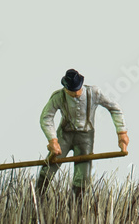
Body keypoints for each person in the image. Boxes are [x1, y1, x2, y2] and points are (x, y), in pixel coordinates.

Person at [36, 69, 130, 197]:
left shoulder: (94, 93)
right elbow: (46, 117)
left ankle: (76, 208)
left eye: (77, 89)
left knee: (83, 174)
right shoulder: (58, 96)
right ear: (65, 88)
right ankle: (37, 198)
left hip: (85, 137)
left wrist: (121, 133)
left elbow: (115, 108)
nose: (76, 93)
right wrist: (52, 140)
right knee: (49, 167)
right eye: (72, 91)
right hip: (64, 135)